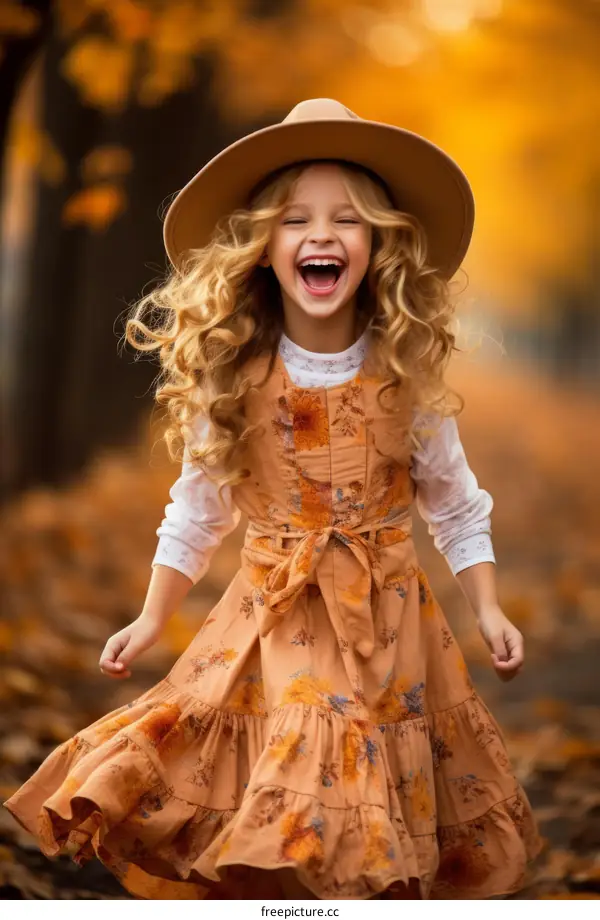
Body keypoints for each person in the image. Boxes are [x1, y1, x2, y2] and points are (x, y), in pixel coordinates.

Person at [3, 99, 542, 900]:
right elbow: (196, 510)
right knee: (297, 768)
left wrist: (489, 608)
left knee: (369, 798)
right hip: (270, 617)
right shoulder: (236, 379)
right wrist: (152, 616)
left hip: (389, 628)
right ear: (262, 249)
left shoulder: (406, 381)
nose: (320, 235)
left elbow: (456, 503)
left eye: (347, 220)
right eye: (294, 220)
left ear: (376, 246)